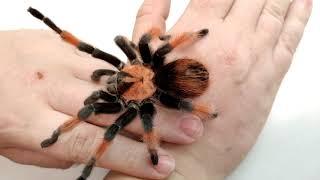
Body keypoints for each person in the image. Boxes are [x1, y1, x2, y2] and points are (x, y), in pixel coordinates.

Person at [0, 0, 312, 180]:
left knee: (105, 112)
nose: (117, 80)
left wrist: (158, 147)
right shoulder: (142, 60)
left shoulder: (134, 97)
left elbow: (145, 43)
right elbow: (144, 41)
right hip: (164, 73)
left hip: (171, 79)